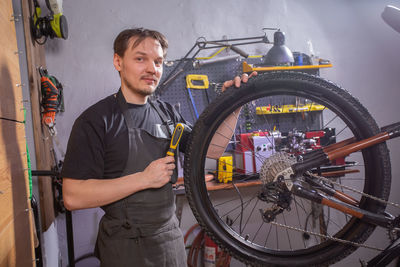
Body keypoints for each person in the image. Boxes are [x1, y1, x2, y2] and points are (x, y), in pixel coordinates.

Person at [61, 27, 256, 267]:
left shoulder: (166, 113)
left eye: (158, 62)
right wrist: (143, 179)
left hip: (169, 241)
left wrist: (232, 105)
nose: (153, 69)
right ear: (118, 61)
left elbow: (211, 150)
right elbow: (72, 196)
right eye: (140, 59)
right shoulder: (96, 121)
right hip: (125, 248)